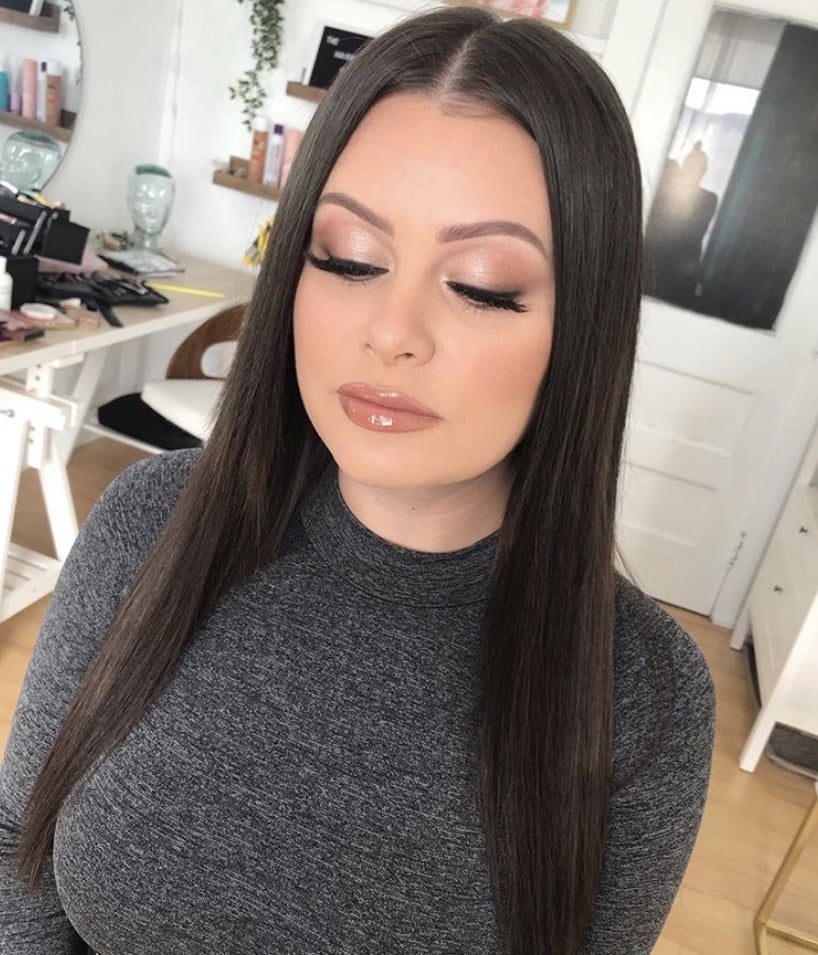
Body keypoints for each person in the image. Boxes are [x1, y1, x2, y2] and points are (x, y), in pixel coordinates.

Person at [0, 7, 715, 955]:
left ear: (582, 328)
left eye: (482, 285)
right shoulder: (150, 523)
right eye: (350, 259)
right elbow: (18, 847)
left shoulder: (641, 695)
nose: (391, 332)